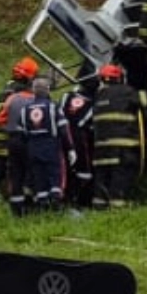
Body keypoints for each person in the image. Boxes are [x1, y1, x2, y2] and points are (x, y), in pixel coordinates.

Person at [8, 75, 70, 213]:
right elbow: (63, 130)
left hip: (33, 147)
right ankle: (55, 205)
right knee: (55, 175)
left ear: (34, 91)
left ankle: (42, 205)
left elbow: (21, 133)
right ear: (47, 90)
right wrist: (70, 148)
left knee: (39, 177)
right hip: (51, 147)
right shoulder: (53, 107)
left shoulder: (25, 110)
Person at [92, 65, 146, 207]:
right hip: (122, 146)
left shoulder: (98, 95)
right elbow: (144, 100)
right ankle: (118, 205)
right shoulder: (126, 91)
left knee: (102, 175)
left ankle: (99, 203)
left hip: (101, 146)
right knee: (120, 174)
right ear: (119, 78)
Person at [0, 57, 38, 199]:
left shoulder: (9, 86)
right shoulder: (19, 91)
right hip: (7, 133)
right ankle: (9, 193)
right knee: (7, 165)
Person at [61, 79, 96, 209]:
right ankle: (81, 203)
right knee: (84, 171)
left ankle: (67, 200)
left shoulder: (66, 97)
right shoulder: (94, 103)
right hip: (81, 141)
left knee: (66, 169)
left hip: (63, 138)